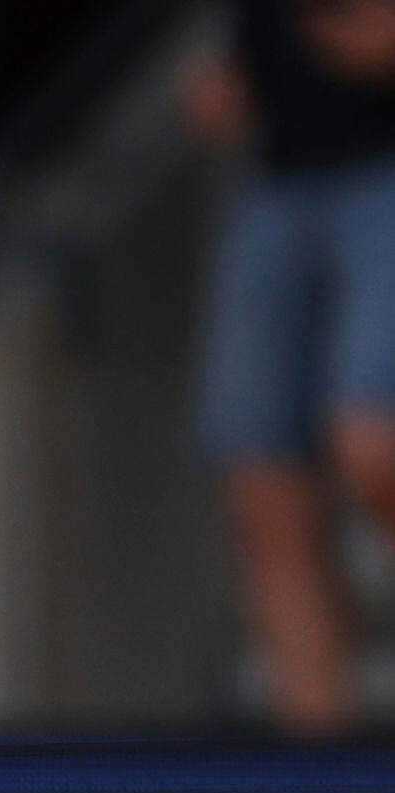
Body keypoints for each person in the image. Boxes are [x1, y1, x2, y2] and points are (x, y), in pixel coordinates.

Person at [184, 0, 395, 737]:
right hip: (280, 170)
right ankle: (320, 765)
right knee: (262, 479)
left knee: (375, 445)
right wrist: (239, 72)